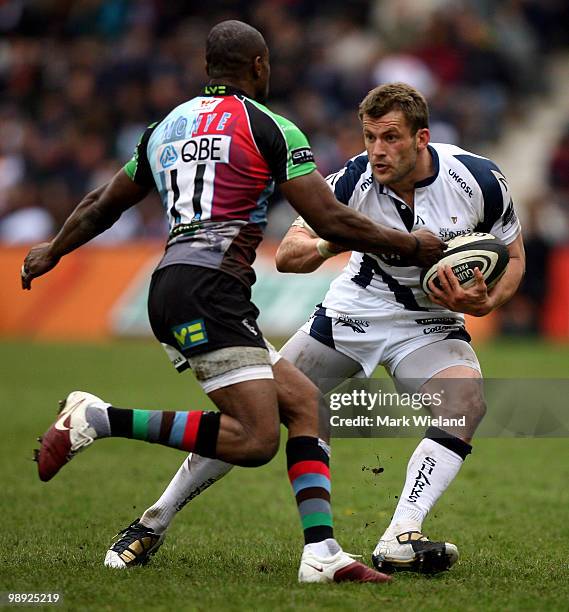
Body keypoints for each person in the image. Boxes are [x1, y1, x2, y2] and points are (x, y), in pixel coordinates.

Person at [22, 23, 446, 584]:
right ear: (260, 65)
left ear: (208, 68)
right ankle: (98, 418)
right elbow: (331, 219)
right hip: (211, 290)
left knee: (304, 405)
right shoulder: (270, 127)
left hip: (173, 280)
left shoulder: (166, 126)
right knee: (254, 439)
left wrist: (55, 247)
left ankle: (321, 554)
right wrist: (412, 244)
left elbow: (105, 202)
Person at [115, 82, 524, 575]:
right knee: (258, 411)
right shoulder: (352, 180)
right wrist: (334, 239)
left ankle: (400, 535)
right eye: (370, 136)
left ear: (422, 138)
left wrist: (486, 300)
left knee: (466, 401)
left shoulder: (479, 180)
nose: (377, 150)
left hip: (429, 322)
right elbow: (287, 256)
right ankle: (153, 521)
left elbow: (514, 256)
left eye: (391, 137)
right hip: (353, 313)